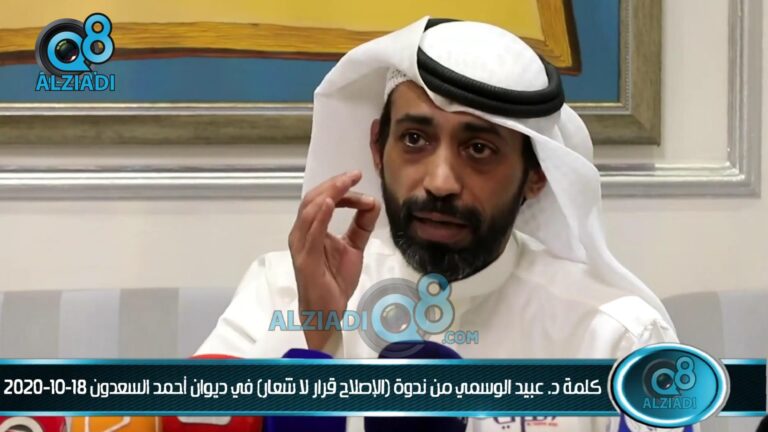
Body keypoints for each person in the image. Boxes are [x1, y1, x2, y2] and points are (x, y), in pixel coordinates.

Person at [198, 17, 683, 431]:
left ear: (536, 175)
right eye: (414, 139)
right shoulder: (280, 290)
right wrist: (318, 333)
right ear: (377, 148)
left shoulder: (615, 337)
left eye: (479, 149)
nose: (440, 182)